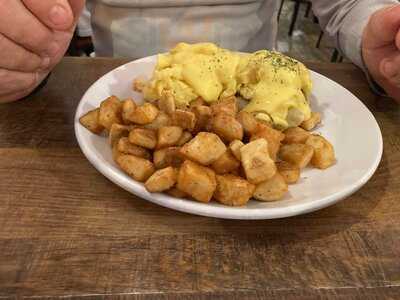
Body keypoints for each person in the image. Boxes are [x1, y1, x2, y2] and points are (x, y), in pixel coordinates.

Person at [0, 0, 399, 103]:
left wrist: (377, 32)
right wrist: (23, 42)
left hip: (258, 90)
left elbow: (349, 4)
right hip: (122, 87)